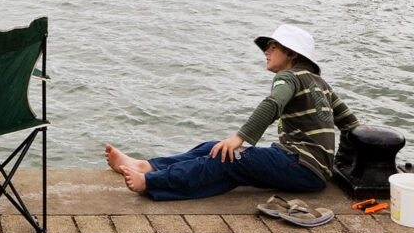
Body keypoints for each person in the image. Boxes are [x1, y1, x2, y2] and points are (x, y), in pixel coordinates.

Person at [104, 24, 359, 201]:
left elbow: (272, 104)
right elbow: (351, 126)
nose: (267, 52)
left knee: (229, 158)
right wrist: (337, 163)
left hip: (301, 167)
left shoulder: (288, 77)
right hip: (309, 169)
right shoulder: (321, 85)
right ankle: (147, 166)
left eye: (272, 47)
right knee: (214, 148)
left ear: (291, 53)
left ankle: (151, 183)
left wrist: (240, 138)